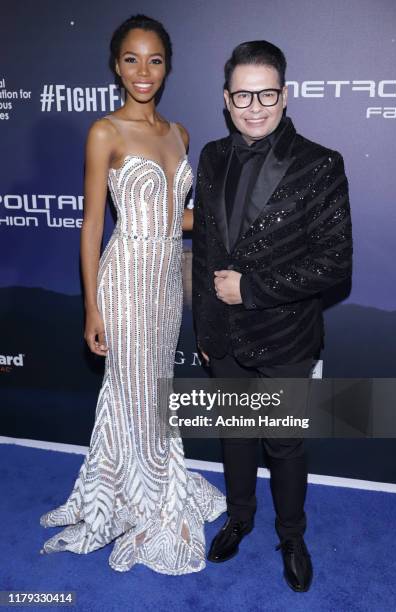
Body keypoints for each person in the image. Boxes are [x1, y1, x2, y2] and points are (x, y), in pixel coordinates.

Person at [39, 14, 225, 575]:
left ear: (167, 66)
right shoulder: (106, 132)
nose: (143, 72)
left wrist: (231, 221)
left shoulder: (180, 134)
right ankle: (134, 496)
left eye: (155, 60)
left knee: (154, 388)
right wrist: (92, 305)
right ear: (116, 65)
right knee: (130, 387)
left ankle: (150, 476)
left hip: (170, 280)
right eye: (131, 59)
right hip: (125, 278)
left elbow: (179, 217)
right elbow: (93, 224)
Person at [192, 40, 352, 591]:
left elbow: (335, 264)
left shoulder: (320, 163)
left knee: (283, 444)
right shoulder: (212, 156)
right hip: (225, 337)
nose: (254, 106)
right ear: (226, 98)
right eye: (243, 94)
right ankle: (239, 519)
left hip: (285, 334)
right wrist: (205, 327)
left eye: (266, 93)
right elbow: (208, 251)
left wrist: (253, 289)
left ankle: (291, 535)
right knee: (235, 437)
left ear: (284, 95)